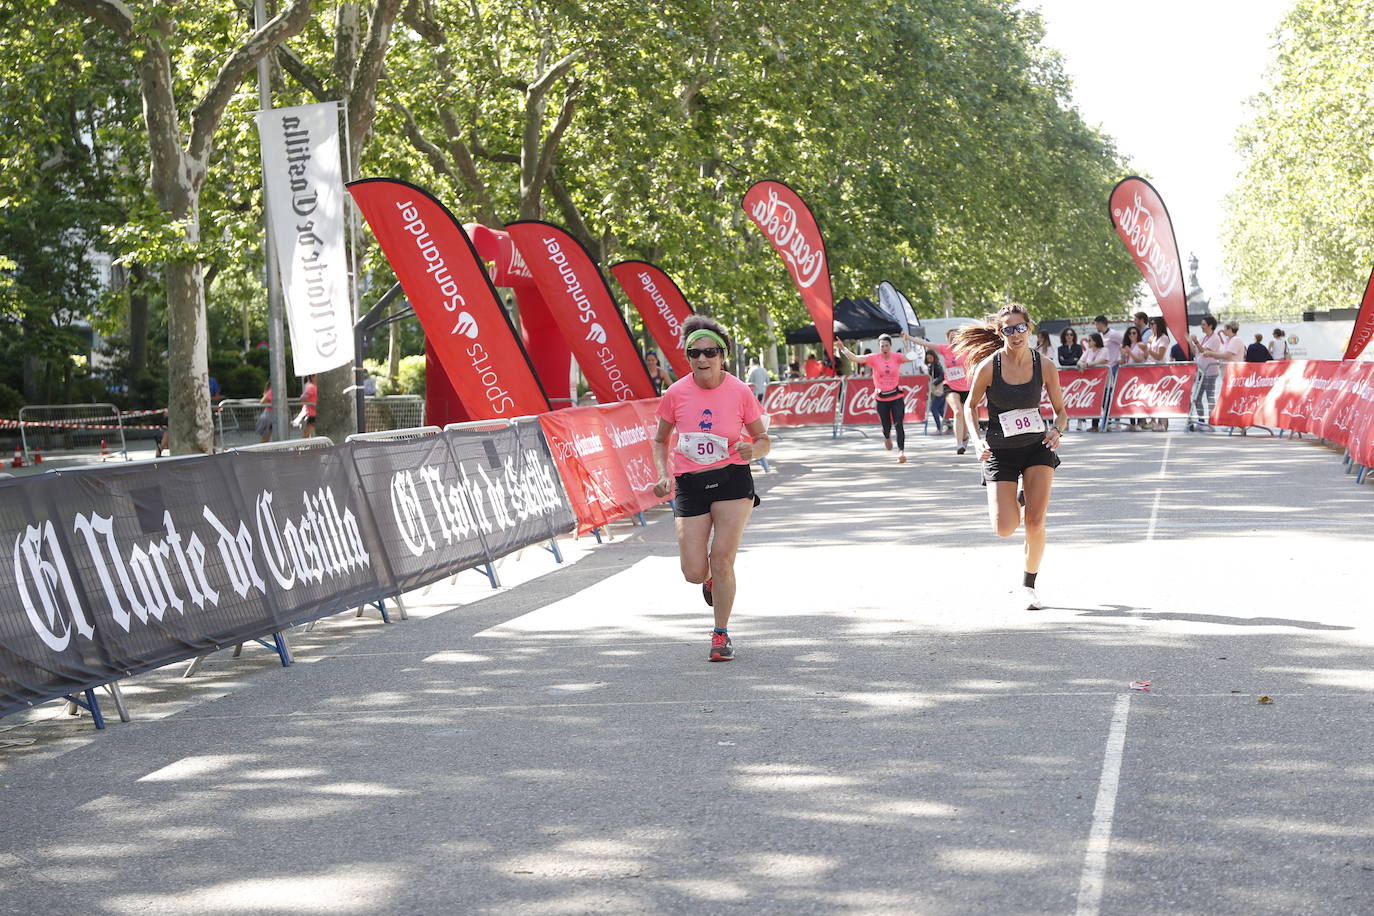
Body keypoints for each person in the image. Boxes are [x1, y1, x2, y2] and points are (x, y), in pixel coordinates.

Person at [653, 315, 770, 662]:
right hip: (690, 483)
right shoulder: (675, 394)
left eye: (710, 352)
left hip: (733, 478)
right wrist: (663, 475)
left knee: (722, 558)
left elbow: (764, 438)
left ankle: (721, 634)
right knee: (693, 570)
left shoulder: (739, 391)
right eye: (695, 353)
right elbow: (660, 440)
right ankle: (709, 582)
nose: (702, 359)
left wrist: (755, 449)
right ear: (688, 358)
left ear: (723, 356)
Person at [955, 304, 1067, 610]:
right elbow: (969, 406)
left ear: (1029, 328)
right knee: (1004, 528)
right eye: (1008, 329)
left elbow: (1061, 412)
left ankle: (1029, 584)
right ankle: (1018, 498)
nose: (1015, 334)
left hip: (1036, 448)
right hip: (1000, 452)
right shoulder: (990, 366)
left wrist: (1057, 429)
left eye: (1020, 328)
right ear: (1000, 332)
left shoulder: (1044, 365)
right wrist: (976, 440)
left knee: (1035, 521)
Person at [836, 333, 917, 463]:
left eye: (886, 346)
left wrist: (905, 343)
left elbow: (913, 357)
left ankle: (901, 451)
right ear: (879, 347)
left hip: (896, 396)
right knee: (886, 426)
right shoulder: (874, 358)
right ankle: (887, 437)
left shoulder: (897, 357)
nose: (884, 348)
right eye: (882, 346)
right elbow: (855, 358)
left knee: (898, 424)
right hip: (881, 398)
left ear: (890, 346)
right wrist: (843, 349)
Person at [903, 327, 973, 454]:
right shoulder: (944, 349)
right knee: (957, 412)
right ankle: (959, 444)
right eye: (951, 337)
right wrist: (908, 338)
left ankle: (965, 437)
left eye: (956, 336)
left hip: (966, 386)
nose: (953, 339)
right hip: (950, 386)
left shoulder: (967, 350)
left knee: (964, 415)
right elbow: (925, 343)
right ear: (948, 339)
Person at [1187, 316, 1225, 429]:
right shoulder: (1204, 338)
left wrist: (1196, 341)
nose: (1201, 326)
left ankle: (1211, 420)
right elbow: (1196, 352)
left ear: (1210, 326)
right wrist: (1190, 342)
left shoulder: (1215, 338)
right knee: (1197, 397)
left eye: (1203, 324)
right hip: (1201, 372)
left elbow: (1205, 352)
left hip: (1210, 372)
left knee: (1210, 397)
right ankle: (1201, 420)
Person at [925, 349, 948, 434]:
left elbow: (942, 376)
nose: (929, 359)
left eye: (930, 357)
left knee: (934, 408)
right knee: (941, 410)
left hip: (939, 390)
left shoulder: (936, 365)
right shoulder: (933, 365)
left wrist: (934, 383)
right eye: (928, 358)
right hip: (940, 390)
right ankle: (949, 426)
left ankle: (939, 428)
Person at [292, 374, 318, 438]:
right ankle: (299, 447)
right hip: (310, 413)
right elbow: (302, 398)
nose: (317, 378)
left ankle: (305, 446)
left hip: (310, 413)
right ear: (312, 377)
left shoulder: (311, 386)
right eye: (316, 376)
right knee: (306, 434)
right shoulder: (311, 387)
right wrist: (313, 404)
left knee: (309, 434)